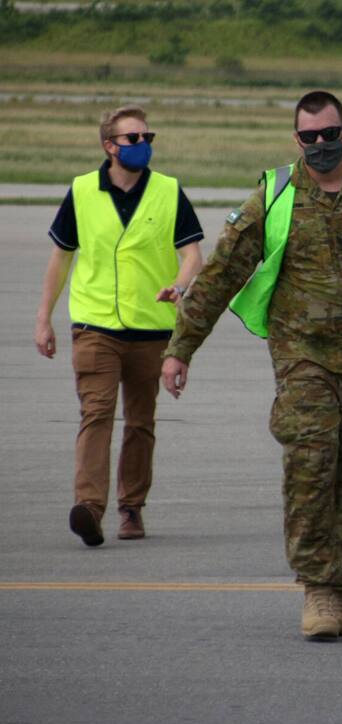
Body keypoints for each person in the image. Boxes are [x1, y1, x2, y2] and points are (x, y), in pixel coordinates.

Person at [159, 91, 342, 640]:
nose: (321, 145)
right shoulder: (276, 194)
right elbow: (221, 274)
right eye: (310, 137)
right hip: (303, 355)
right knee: (311, 463)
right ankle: (317, 589)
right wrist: (180, 347)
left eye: (330, 135)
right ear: (296, 140)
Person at [34, 104, 204, 547]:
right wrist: (44, 318)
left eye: (149, 138)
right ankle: (89, 507)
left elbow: (192, 255)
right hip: (95, 326)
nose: (143, 145)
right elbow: (61, 256)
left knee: (141, 422)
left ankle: (132, 507)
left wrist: (180, 285)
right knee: (96, 414)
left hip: (151, 329)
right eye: (133, 139)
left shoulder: (168, 191)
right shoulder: (82, 191)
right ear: (110, 146)